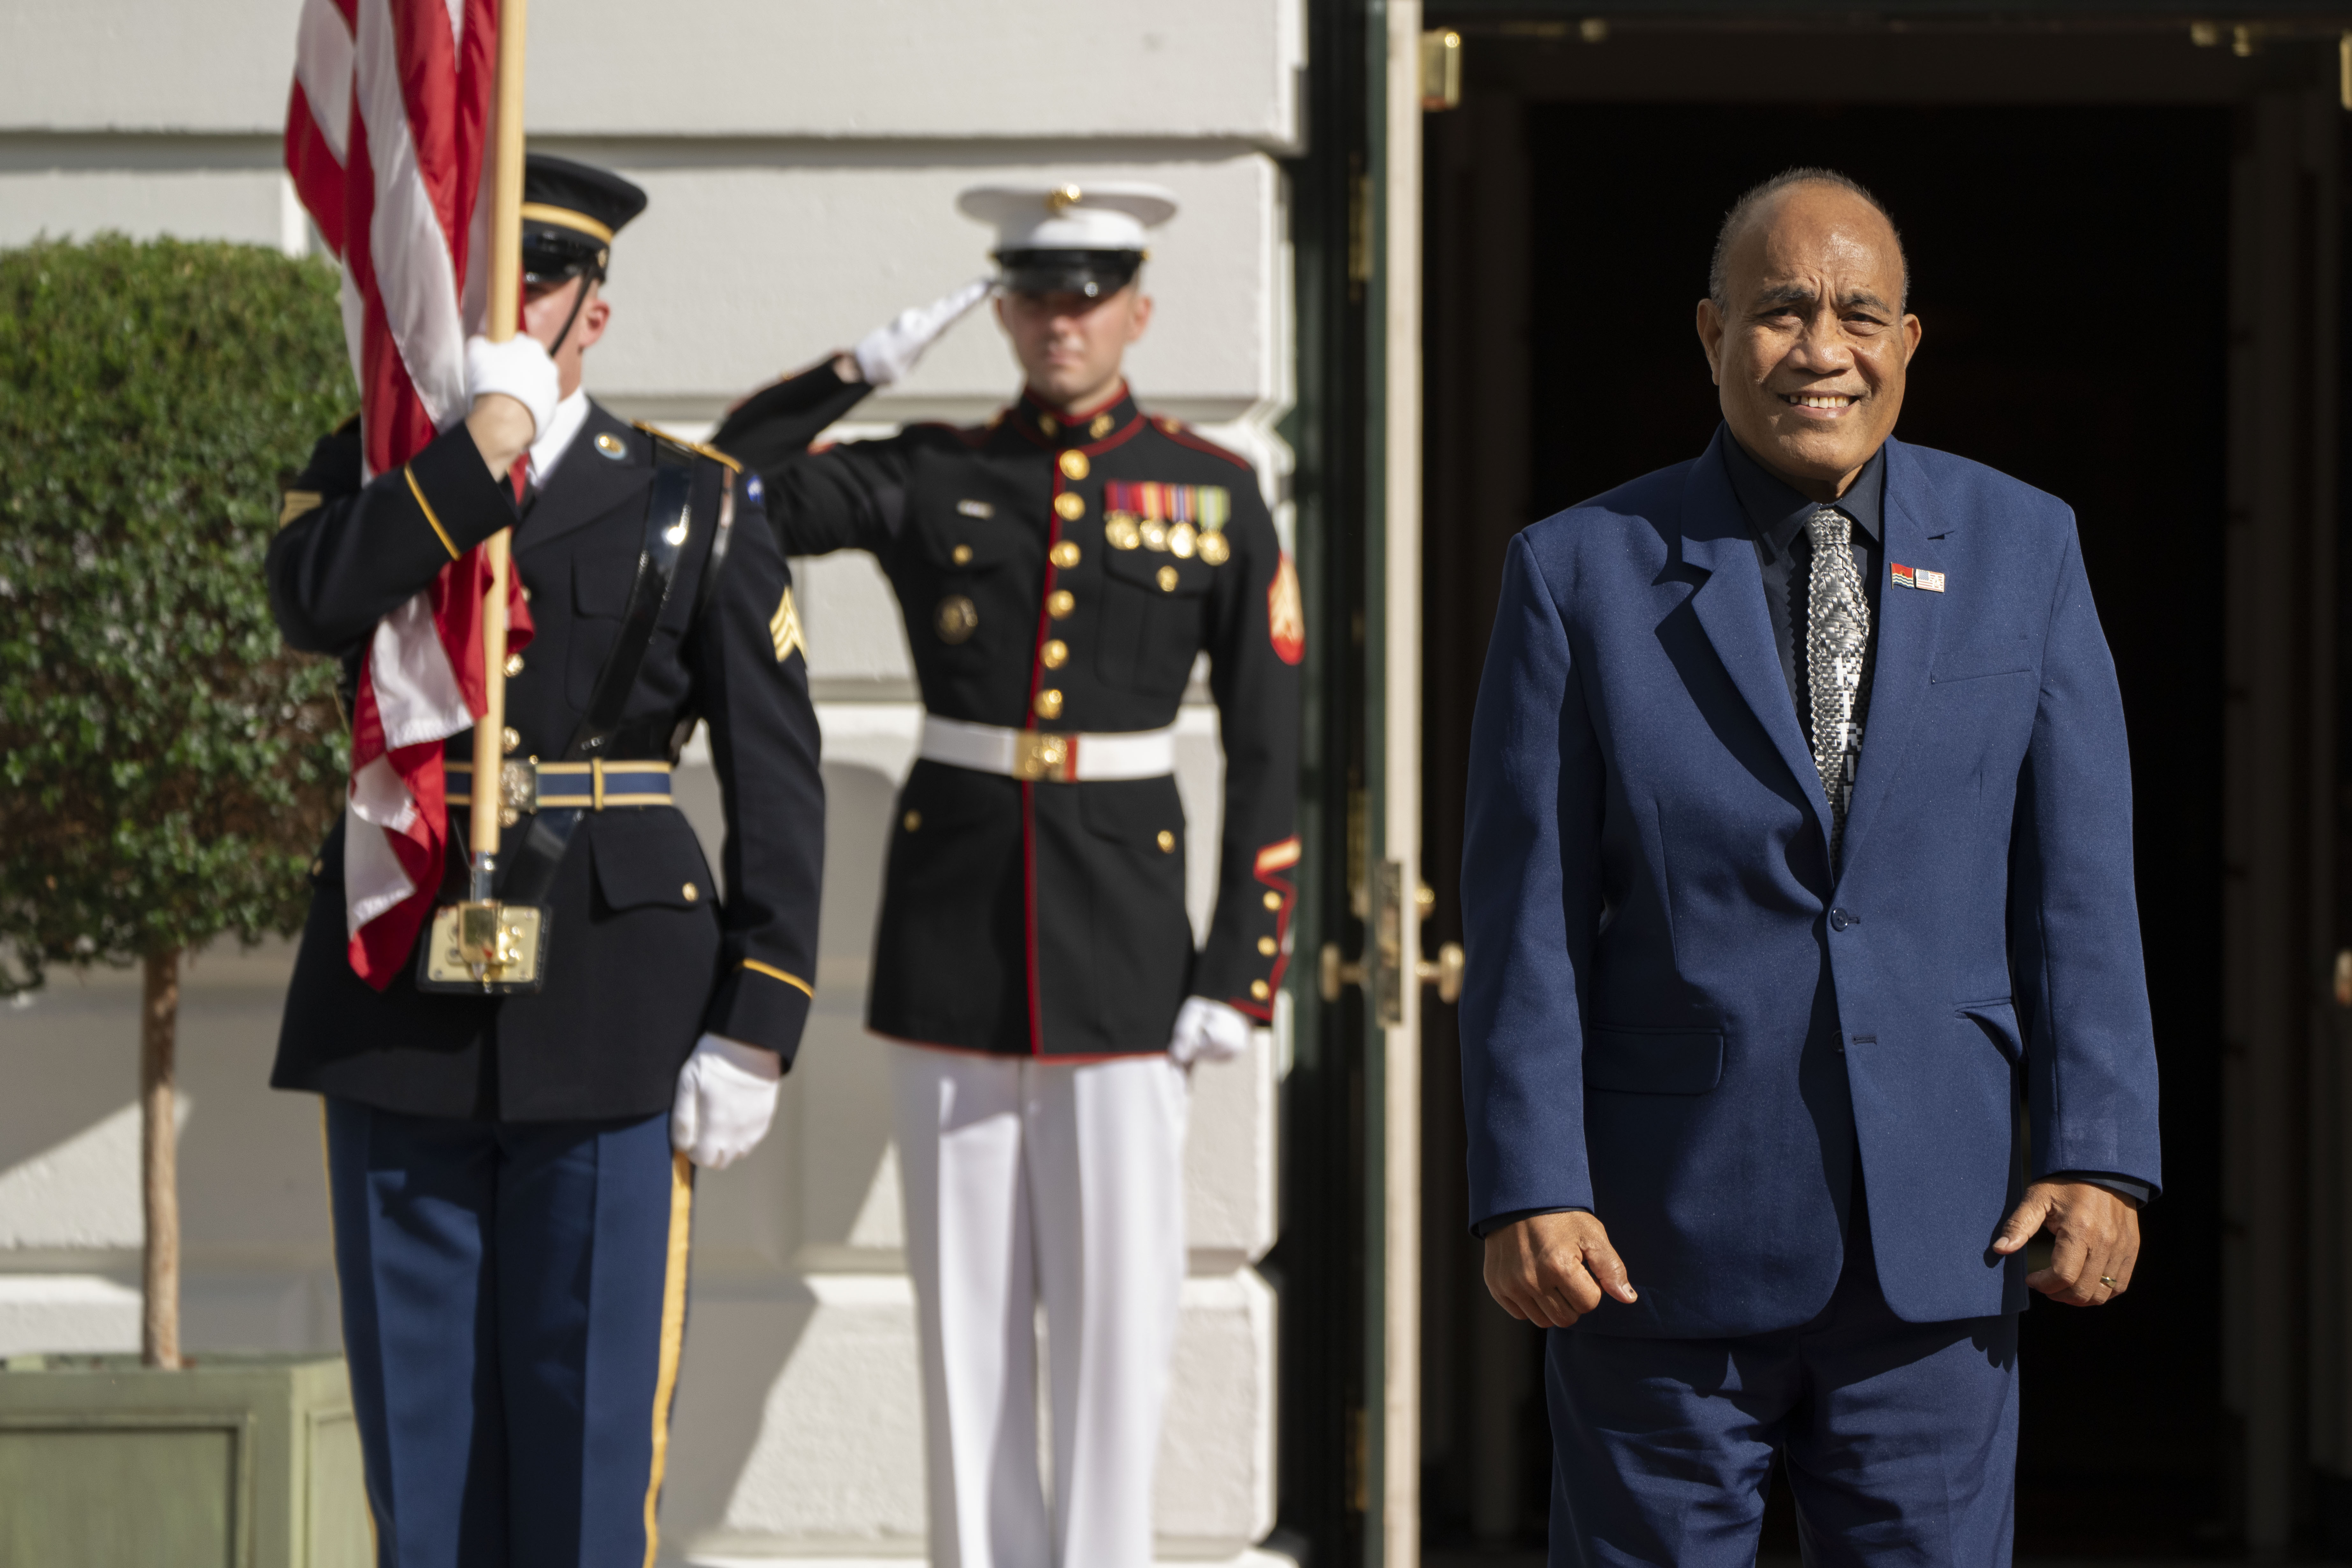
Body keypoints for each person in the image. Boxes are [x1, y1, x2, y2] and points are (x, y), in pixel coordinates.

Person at [1458, 167, 2161, 1567]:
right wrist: (1528, 1181)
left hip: (1943, 1247)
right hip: (1653, 1249)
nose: (1821, 349)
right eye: (1782, 311)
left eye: (1859, 314)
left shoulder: (2026, 547)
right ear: (1712, 333)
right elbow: (1527, 910)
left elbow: (2077, 884)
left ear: (1909, 342)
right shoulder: (1579, 570)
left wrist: (2099, 1152)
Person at [266, 153, 946, 1565]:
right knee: (422, 1469)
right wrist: (474, 453)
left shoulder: (690, 500)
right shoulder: (377, 472)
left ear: (596, 313)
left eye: (542, 286)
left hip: (616, 1006)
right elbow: (315, 600)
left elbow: (776, 775)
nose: (508, 310)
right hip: (400, 995)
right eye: (485, 286)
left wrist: (760, 1017)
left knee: (588, 1450)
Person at [711, 182, 1301, 1568]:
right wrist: (859, 369)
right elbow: (727, 489)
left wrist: (1241, 969)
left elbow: (1273, 748)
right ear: (1003, 312)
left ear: (1138, 312)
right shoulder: (933, 471)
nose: (1060, 323)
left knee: (1117, 1324)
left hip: (1126, 949)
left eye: (1088, 298)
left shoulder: (1214, 489)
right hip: (956, 937)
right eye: (1033, 297)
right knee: (965, 1325)